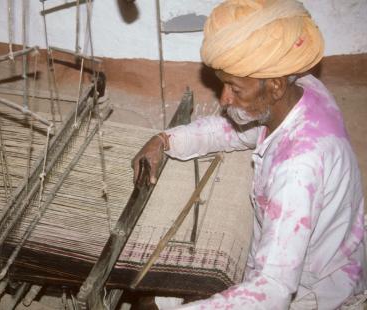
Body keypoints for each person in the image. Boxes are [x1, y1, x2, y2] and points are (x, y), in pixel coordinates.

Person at [132, 0, 366, 308]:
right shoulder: (302, 90)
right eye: (223, 85)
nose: (225, 99)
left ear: (275, 86)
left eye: (235, 89)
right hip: (327, 254)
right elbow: (231, 131)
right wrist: (165, 140)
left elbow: (273, 290)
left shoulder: (298, 168)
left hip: (315, 289)